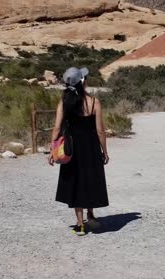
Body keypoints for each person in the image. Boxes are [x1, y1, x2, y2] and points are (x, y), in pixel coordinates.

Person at [49, 67, 110, 236]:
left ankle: (80, 224)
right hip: (90, 148)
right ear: (83, 81)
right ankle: (91, 215)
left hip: (72, 148)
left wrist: (52, 150)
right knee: (89, 180)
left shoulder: (64, 101)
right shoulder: (94, 102)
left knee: (76, 183)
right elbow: (100, 131)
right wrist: (104, 151)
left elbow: (56, 128)